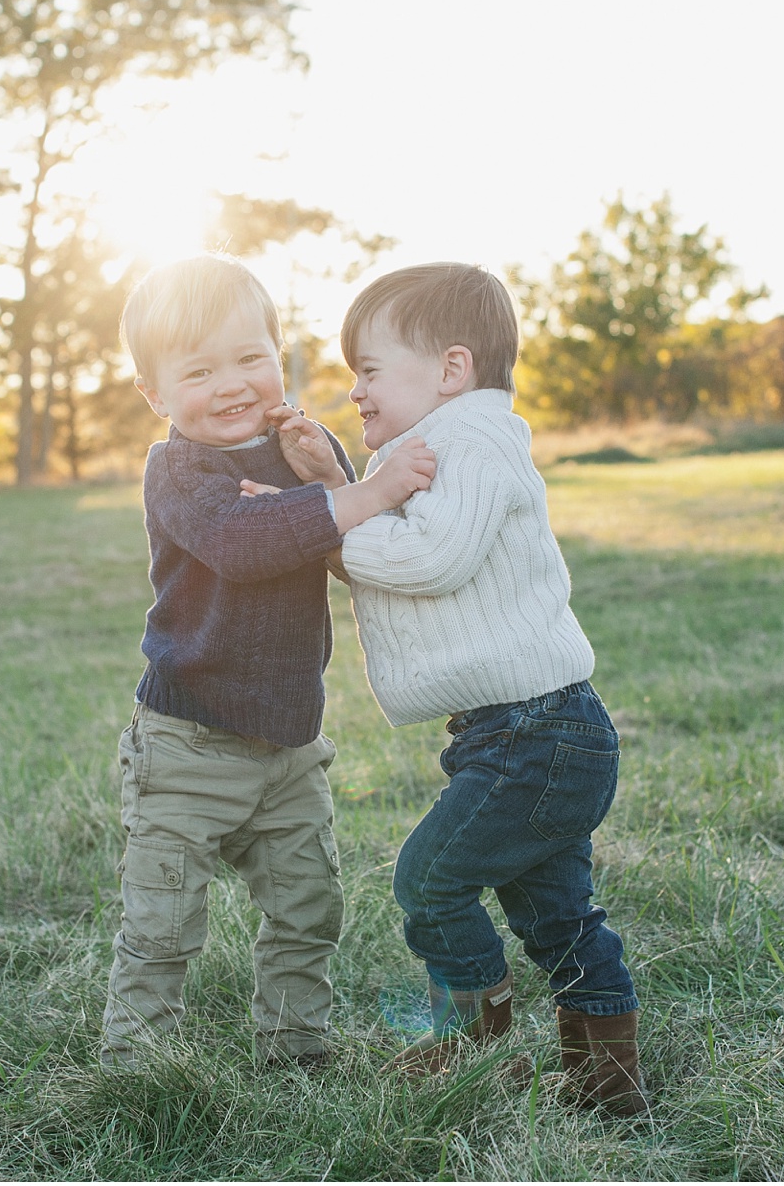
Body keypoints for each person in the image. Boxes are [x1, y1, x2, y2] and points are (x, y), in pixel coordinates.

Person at [250, 261, 645, 1114]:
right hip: (528, 734)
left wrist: (321, 528)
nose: (355, 390)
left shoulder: (476, 439)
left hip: (536, 735)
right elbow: (398, 535)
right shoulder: (442, 446)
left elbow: (426, 556)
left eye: (370, 368)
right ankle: (608, 1081)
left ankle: (473, 1043)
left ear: (452, 370)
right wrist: (332, 488)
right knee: (557, 917)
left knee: (429, 881)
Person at [102, 254, 437, 1070]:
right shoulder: (178, 468)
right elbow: (241, 545)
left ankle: (295, 1048)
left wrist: (329, 476)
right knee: (163, 919)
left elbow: (344, 541)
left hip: (288, 744)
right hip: (189, 741)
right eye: (199, 369)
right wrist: (368, 490)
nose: (231, 384)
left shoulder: (302, 442)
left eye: (250, 357)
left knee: (308, 903)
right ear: (156, 394)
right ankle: (136, 1062)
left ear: (279, 355)